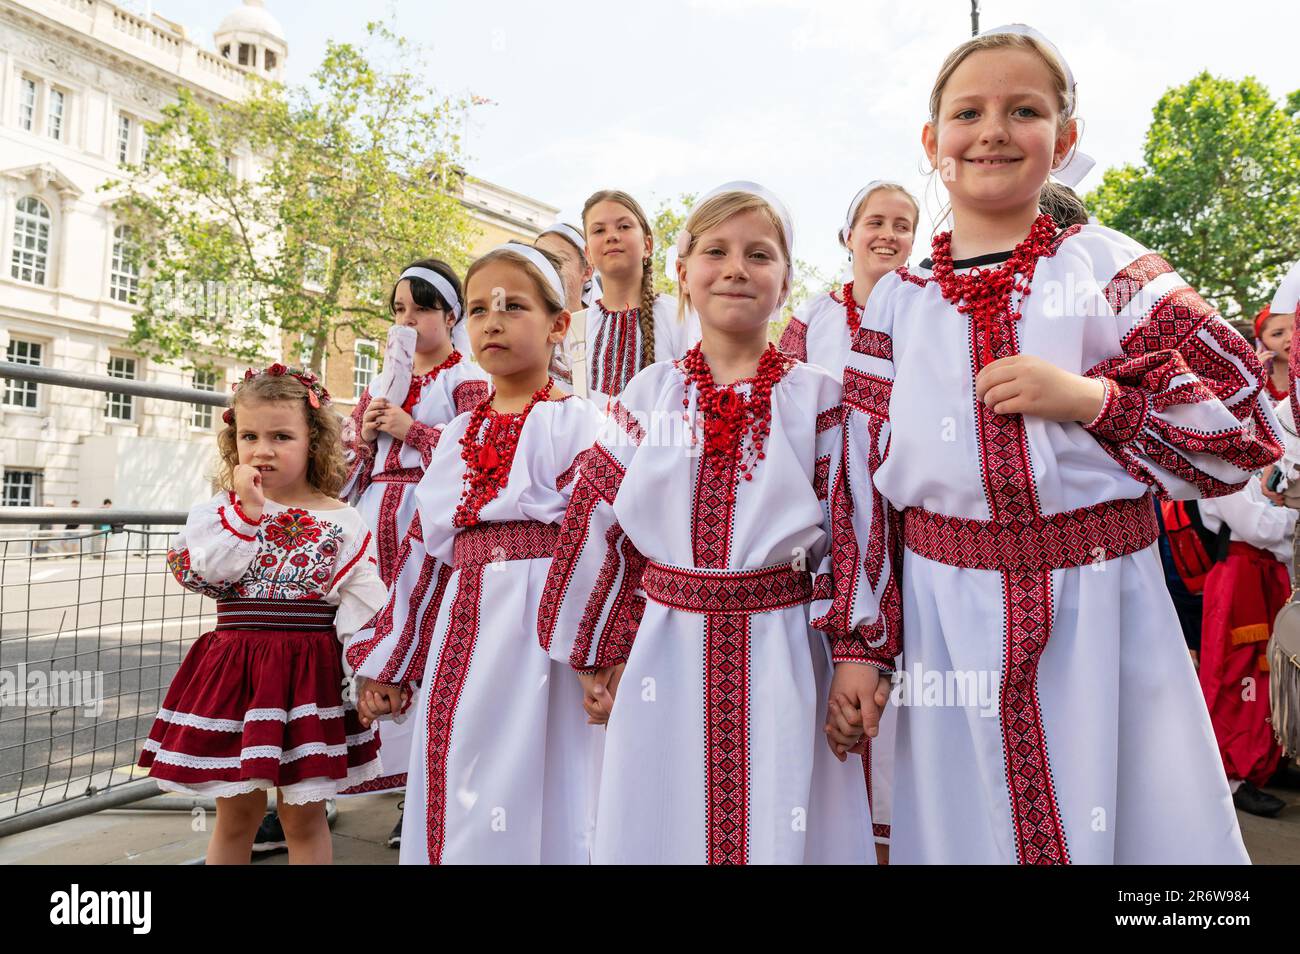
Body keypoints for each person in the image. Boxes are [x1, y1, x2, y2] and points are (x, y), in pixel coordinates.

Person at [818, 24, 1281, 863]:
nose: (992, 129)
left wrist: (1094, 400)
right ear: (933, 143)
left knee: (1129, 819)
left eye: (1023, 109)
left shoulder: (1112, 268)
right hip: (945, 610)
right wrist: (860, 643)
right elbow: (857, 483)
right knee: (971, 826)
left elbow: (1247, 424)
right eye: (969, 111)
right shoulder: (895, 305)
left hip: (1102, 605)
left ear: (1064, 141)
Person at [539, 183, 877, 864]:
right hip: (665, 646)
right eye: (715, 251)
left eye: (759, 254)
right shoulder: (648, 394)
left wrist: (859, 654)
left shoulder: (820, 397)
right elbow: (599, 521)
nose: (735, 268)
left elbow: (857, 529)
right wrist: (595, 646)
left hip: (783, 646)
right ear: (685, 273)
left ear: (785, 281)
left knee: (782, 813)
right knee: (662, 817)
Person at [347, 243, 605, 864]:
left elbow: (604, 540)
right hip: (466, 629)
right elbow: (426, 556)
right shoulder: (459, 435)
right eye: (482, 308)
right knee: (461, 767)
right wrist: (394, 658)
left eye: (515, 306)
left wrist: (601, 651)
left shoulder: (583, 424)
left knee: (556, 777)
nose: (494, 320)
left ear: (558, 325)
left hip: (551, 637)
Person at [137, 365, 387, 864]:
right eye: (249, 435)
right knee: (237, 817)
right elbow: (206, 574)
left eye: (281, 436)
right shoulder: (218, 513)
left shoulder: (341, 518)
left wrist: (367, 674)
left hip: (309, 679)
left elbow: (364, 604)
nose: (262, 449)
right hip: (239, 679)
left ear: (313, 442)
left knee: (304, 817)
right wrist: (247, 513)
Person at [778, 180, 919, 863]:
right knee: (837, 674)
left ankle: (894, 836)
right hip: (830, 520)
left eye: (902, 224)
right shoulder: (813, 317)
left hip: (908, 519)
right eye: (875, 221)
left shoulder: (928, 306)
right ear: (848, 235)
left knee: (906, 698)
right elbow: (782, 409)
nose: (888, 234)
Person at [334, 259, 489, 835]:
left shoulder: (464, 379)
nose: (409, 320)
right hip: (377, 520)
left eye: (422, 308)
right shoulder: (379, 384)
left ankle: (421, 793)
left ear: (451, 315)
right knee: (366, 632)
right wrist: (366, 437)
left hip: (431, 523)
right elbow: (347, 470)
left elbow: (478, 450)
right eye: (399, 309)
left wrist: (413, 431)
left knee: (427, 642)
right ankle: (344, 779)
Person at [1198, 477, 1294, 817]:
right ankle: (1231, 775)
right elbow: (1257, 527)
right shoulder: (1223, 471)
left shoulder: (1255, 472)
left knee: (1269, 674)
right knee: (1236, 678)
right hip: (1240, 577)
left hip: (1264, 575)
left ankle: (1263, 762)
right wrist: (1292, 516)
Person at [565, 190, 696, 408]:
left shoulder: (678, 317)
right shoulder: (575, 328)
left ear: (648, 245)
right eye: (598, 230)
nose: (611, 236)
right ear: (588, 254)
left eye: (624, 226)